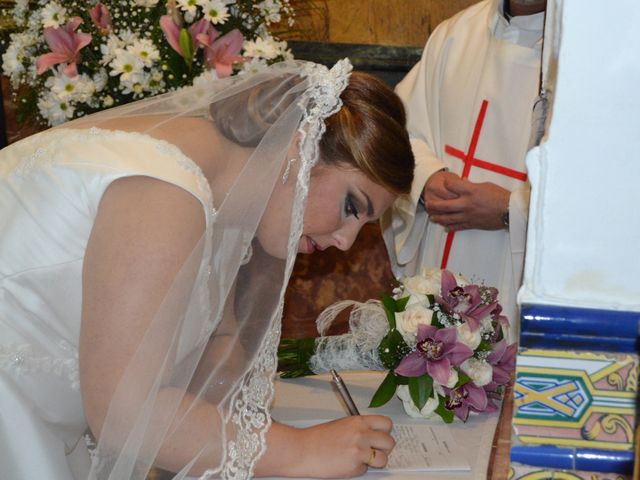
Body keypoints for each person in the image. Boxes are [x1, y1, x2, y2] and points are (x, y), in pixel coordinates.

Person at [0, 59, 414, 480]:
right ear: (301, 142)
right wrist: (300, 449)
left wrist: (230, 433)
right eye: (351, 207)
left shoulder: (224, 203)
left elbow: (222, 338)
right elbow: (122, 414)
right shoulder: (165, 193)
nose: (345, 241)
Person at [382, 0, 547, 342]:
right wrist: (425, 177)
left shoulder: (590, 53)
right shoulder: (455, 34)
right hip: (438, 251)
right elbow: (399, 130)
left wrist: (511, 209)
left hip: (519, 280)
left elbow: (609, 191)